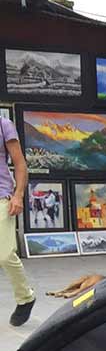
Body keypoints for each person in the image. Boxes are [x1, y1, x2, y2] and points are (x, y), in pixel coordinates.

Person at [2, 109, 35, 327]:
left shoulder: (4, 125)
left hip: (1, 197)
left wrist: (18, 195)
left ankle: (25, 297)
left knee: (4, 254)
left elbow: (20, 164)